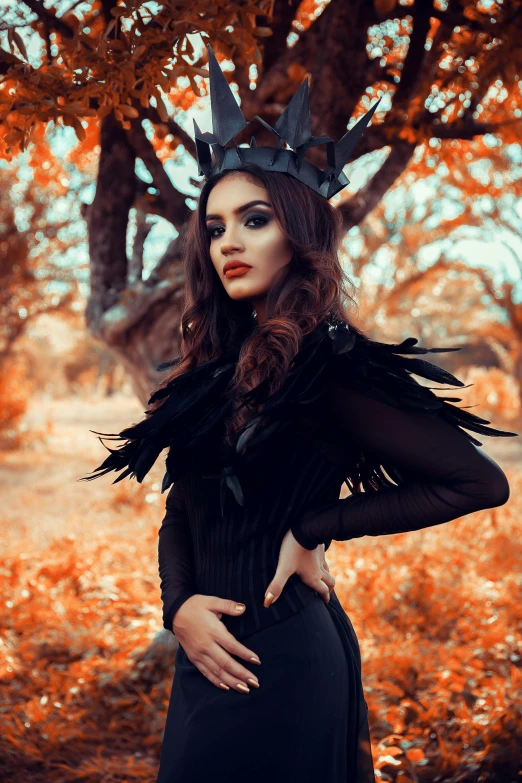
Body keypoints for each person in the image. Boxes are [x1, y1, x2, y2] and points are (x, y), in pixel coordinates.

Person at [81, 44, 518, 783]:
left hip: (286, 655)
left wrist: (315, 527)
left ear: (298, 232)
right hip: (203, 657)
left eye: (253, 220)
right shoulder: (204, 373)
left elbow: (475, 481)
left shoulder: (332, 366)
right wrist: (178, 607)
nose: (229, 244)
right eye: (215, 228)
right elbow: (182, 507)